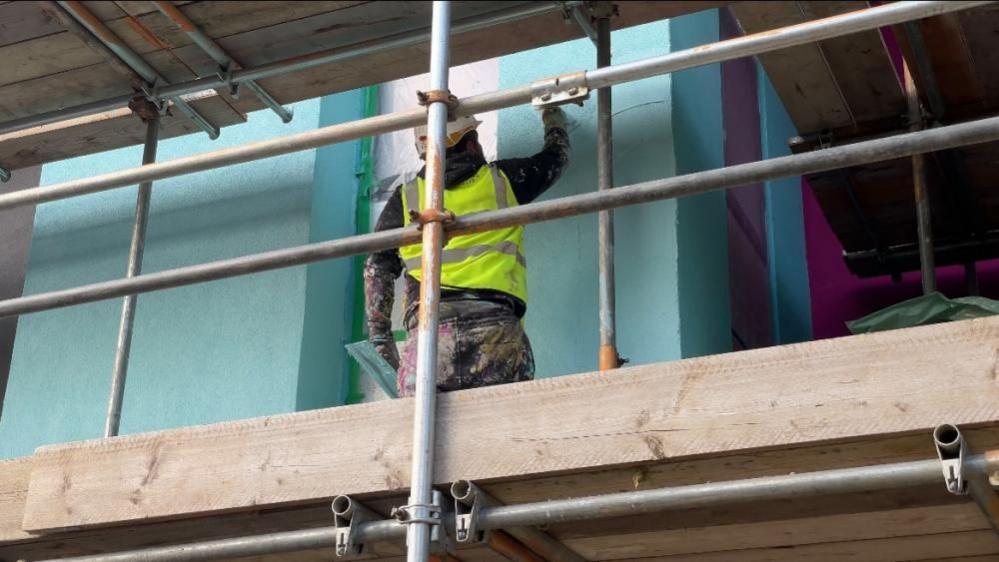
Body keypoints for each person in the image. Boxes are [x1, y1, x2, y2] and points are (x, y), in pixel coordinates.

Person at [364, 106, 571, 397]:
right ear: (471, 143)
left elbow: (377, 267)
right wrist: (554, 120)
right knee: (504, 432)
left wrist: (381, 337)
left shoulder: (405, 198)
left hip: (428, 337)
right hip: (495, 333)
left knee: (424, 437)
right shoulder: (504, 180)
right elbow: (556, 159)